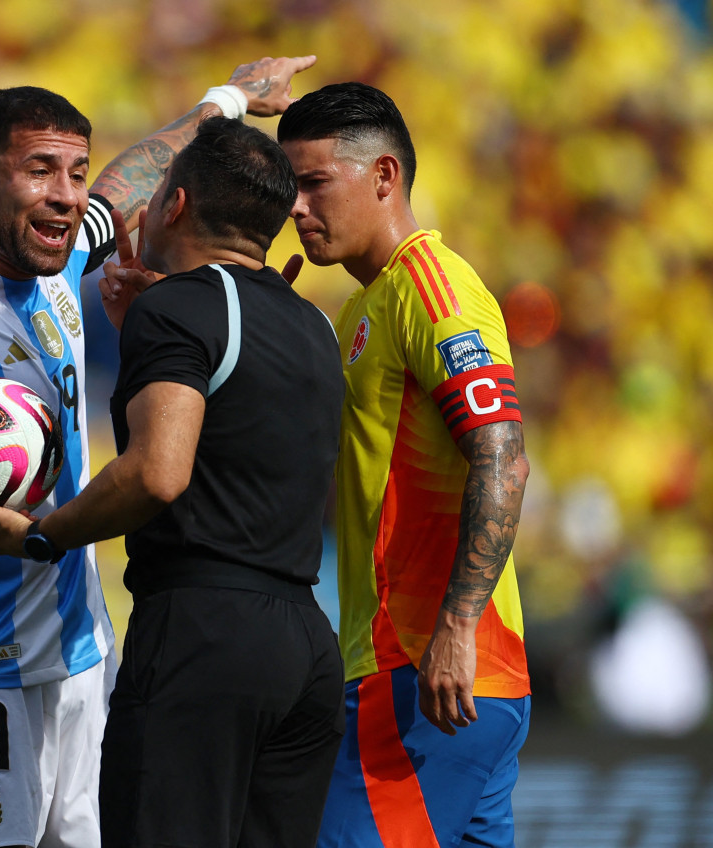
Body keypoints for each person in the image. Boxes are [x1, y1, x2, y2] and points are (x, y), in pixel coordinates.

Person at [0, 57, 316, 848]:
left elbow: (131, 180)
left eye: (75, 171)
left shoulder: (56, 270)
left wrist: (229, 101)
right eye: (39, 170)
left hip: (84, 662)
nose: (66, 193)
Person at [0, 117, 346, 848]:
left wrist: (44, 534)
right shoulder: (314, 325)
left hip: (204, 636)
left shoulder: (182, 307)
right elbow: (244, 439)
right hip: (304, 642)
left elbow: (160, 474)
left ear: (173, 205)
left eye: (161, 189)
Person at [276, 82, 533, 848]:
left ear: (384, 176)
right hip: (458, 678)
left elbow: (503, 457)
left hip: (429, 671)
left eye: (314, 182)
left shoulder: (432, 289)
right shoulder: (364, 308)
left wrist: (454, 626)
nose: (295, 206)